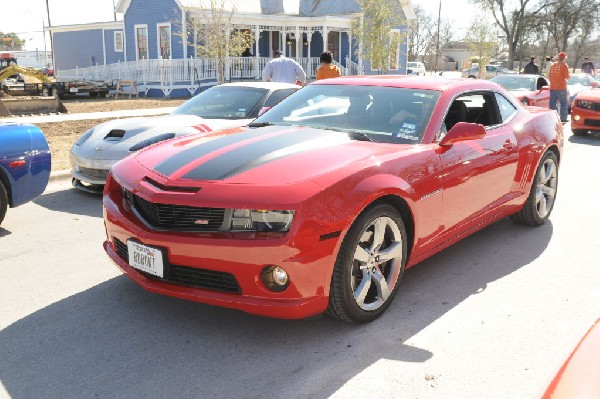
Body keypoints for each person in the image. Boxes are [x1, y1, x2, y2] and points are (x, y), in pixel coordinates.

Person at [548, 52, 571, 123]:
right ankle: (563, 118)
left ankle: (552, 118)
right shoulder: (564, 65)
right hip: (561, 87)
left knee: (552, 104)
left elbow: (549, 76)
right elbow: (567, 76)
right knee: (563, 103)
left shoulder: (552, 65)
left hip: (552, 87)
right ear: (564, 58)